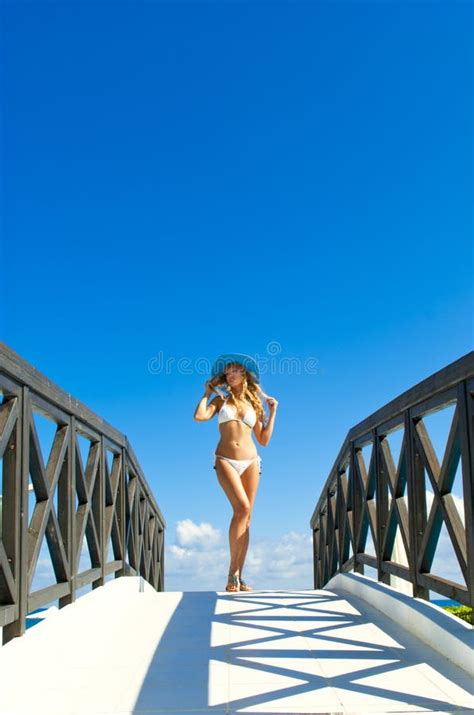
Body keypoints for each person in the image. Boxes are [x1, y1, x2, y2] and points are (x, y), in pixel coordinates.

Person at [193, 353, 278, 593]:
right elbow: (199, 417)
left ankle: (239, 575)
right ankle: (232, 572)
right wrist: (206, 392)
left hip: (251, 461)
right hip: (225, 460)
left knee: (247, 516)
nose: (230, 375)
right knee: (241, 507)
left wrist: (273, 413)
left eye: (235, 371)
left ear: (244, 375)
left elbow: (264, 440)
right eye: (227, 372)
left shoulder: (255, 405)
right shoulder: (221, 401)